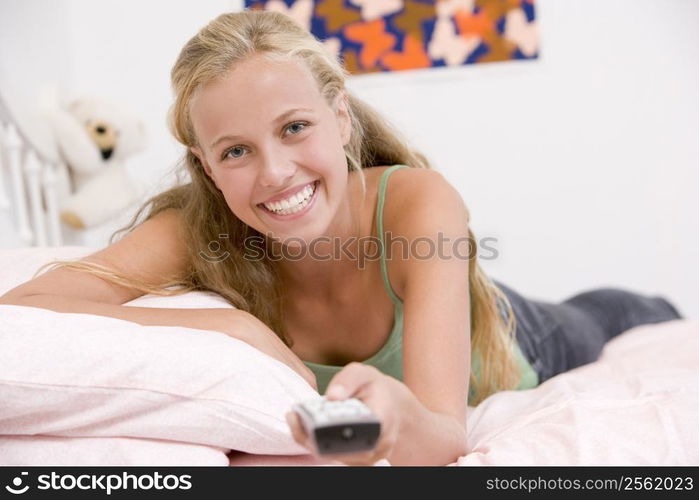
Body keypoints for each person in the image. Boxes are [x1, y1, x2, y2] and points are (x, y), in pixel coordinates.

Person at [0, 10, 682, 466]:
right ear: (207, 167)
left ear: (341, 120)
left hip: (522, 335)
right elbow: (26, 307)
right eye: (235, 152)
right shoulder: (195, 228)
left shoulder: (418, 204)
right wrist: (229, 330)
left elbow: (445, 435)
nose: (274, 173)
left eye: (294, 128)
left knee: (620, 315)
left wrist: (398, 420)